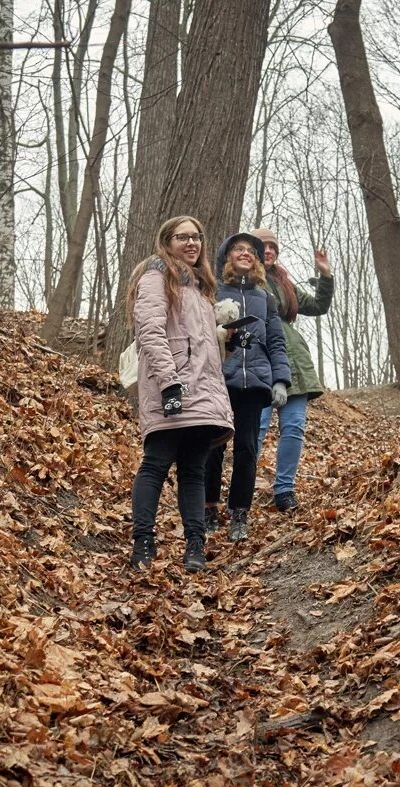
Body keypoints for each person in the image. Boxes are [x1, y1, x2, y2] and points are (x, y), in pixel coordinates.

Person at [128, 216, 234, 573]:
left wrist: (229, 343)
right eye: (182, 237)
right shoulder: (156, 275)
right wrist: (169, 382)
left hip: (203, 392)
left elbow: (203, 350)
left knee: (193, 470)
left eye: (197, 238)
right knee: (156, 463)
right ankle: (143, 543)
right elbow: (150, 330)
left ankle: (195, 547)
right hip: (168, 387)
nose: (191, 244)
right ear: (167, 241)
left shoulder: (202, 287)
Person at [205, 232, 291, 542]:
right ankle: (208, 510)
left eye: (250, 251)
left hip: (254, 384)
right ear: (226, 257)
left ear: (256, 260)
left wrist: (280, 380)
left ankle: (239, 514)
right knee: (214, 446)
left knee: (247, 449)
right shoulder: (212, 292)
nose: (245, 253)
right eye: (238, 249)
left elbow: (277, 342)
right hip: (218, 380)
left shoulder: (265, 298)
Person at [251, 227, 335, 512]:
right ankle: (242, 489)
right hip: (258, 362)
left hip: (294, 362)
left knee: (294, 428)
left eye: (273, 247)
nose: (270, 251)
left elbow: (318, 305)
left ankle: (284, 490)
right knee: (255, 428)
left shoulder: (283, 281)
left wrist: (325, 275)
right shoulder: (241, 281)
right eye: (264, 247)